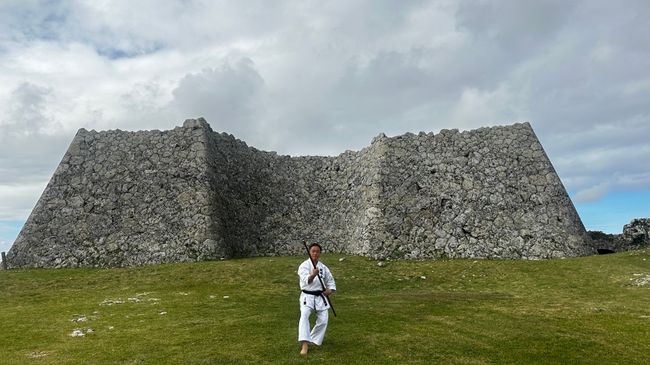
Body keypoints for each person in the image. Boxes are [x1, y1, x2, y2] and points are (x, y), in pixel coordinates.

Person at [298, 243, 336, 355]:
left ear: (320, 253)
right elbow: (307, 280)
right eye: (313, 251)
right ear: (309, 252)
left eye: (317, 251)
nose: (315, 253)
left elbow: (331, 282)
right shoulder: (304, 266)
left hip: (320, 296)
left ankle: (313, 339)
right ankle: (304, 344)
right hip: (307, 296)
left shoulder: (323, 268)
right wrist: (313, 275)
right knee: (304, 316)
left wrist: (330, 290)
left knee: (324, 320)